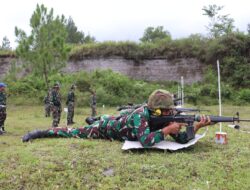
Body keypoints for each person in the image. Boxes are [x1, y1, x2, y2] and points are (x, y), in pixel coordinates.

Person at [22, 89, 211, 147]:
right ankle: (39, 132)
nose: (172, 113)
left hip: (119, 123)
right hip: (106, 129)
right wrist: (166, 130)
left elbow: (183, 139)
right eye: (168, 110)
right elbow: (145, 141)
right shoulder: (141, 115)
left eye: (172, 110)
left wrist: (197, 127)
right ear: (157, 110)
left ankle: (94, 118)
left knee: (111, 117)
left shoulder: (162, 118)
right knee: (71, 131)